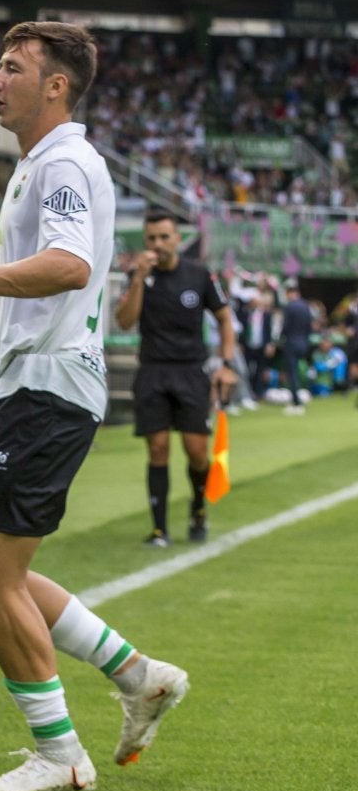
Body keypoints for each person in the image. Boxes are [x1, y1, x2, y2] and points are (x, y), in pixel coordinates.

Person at [0, 22, 189, 791]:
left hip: (48, 386)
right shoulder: (41, 164)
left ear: (56, 85)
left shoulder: (62, 163)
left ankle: (59, 754)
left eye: (11, 67)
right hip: (35, 383)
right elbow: (57, 276)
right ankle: (138, 675)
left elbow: (69, 265)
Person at [113, 210, 239, 546]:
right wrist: (138, 278)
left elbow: (225, 319)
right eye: (151, 238)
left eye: (164, 237)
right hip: (152, 370)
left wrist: (227, 363)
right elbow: (124, 321)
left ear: (177, 240)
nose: (157, 244)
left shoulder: (199, 276)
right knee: (157, 449)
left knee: (197, 452)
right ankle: (159, 529)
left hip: (191, 371)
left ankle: (198, 507)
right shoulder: (139, 276)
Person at [278, 283, 315, 414]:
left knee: (292, 373)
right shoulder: (306, 306)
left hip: (292, 343)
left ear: (289, 293)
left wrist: (279, 338)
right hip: (303, 343)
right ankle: (308, 393)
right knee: (303, 370)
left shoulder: (290, 307)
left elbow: (285, 326)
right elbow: (310, 327)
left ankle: (296, 402)